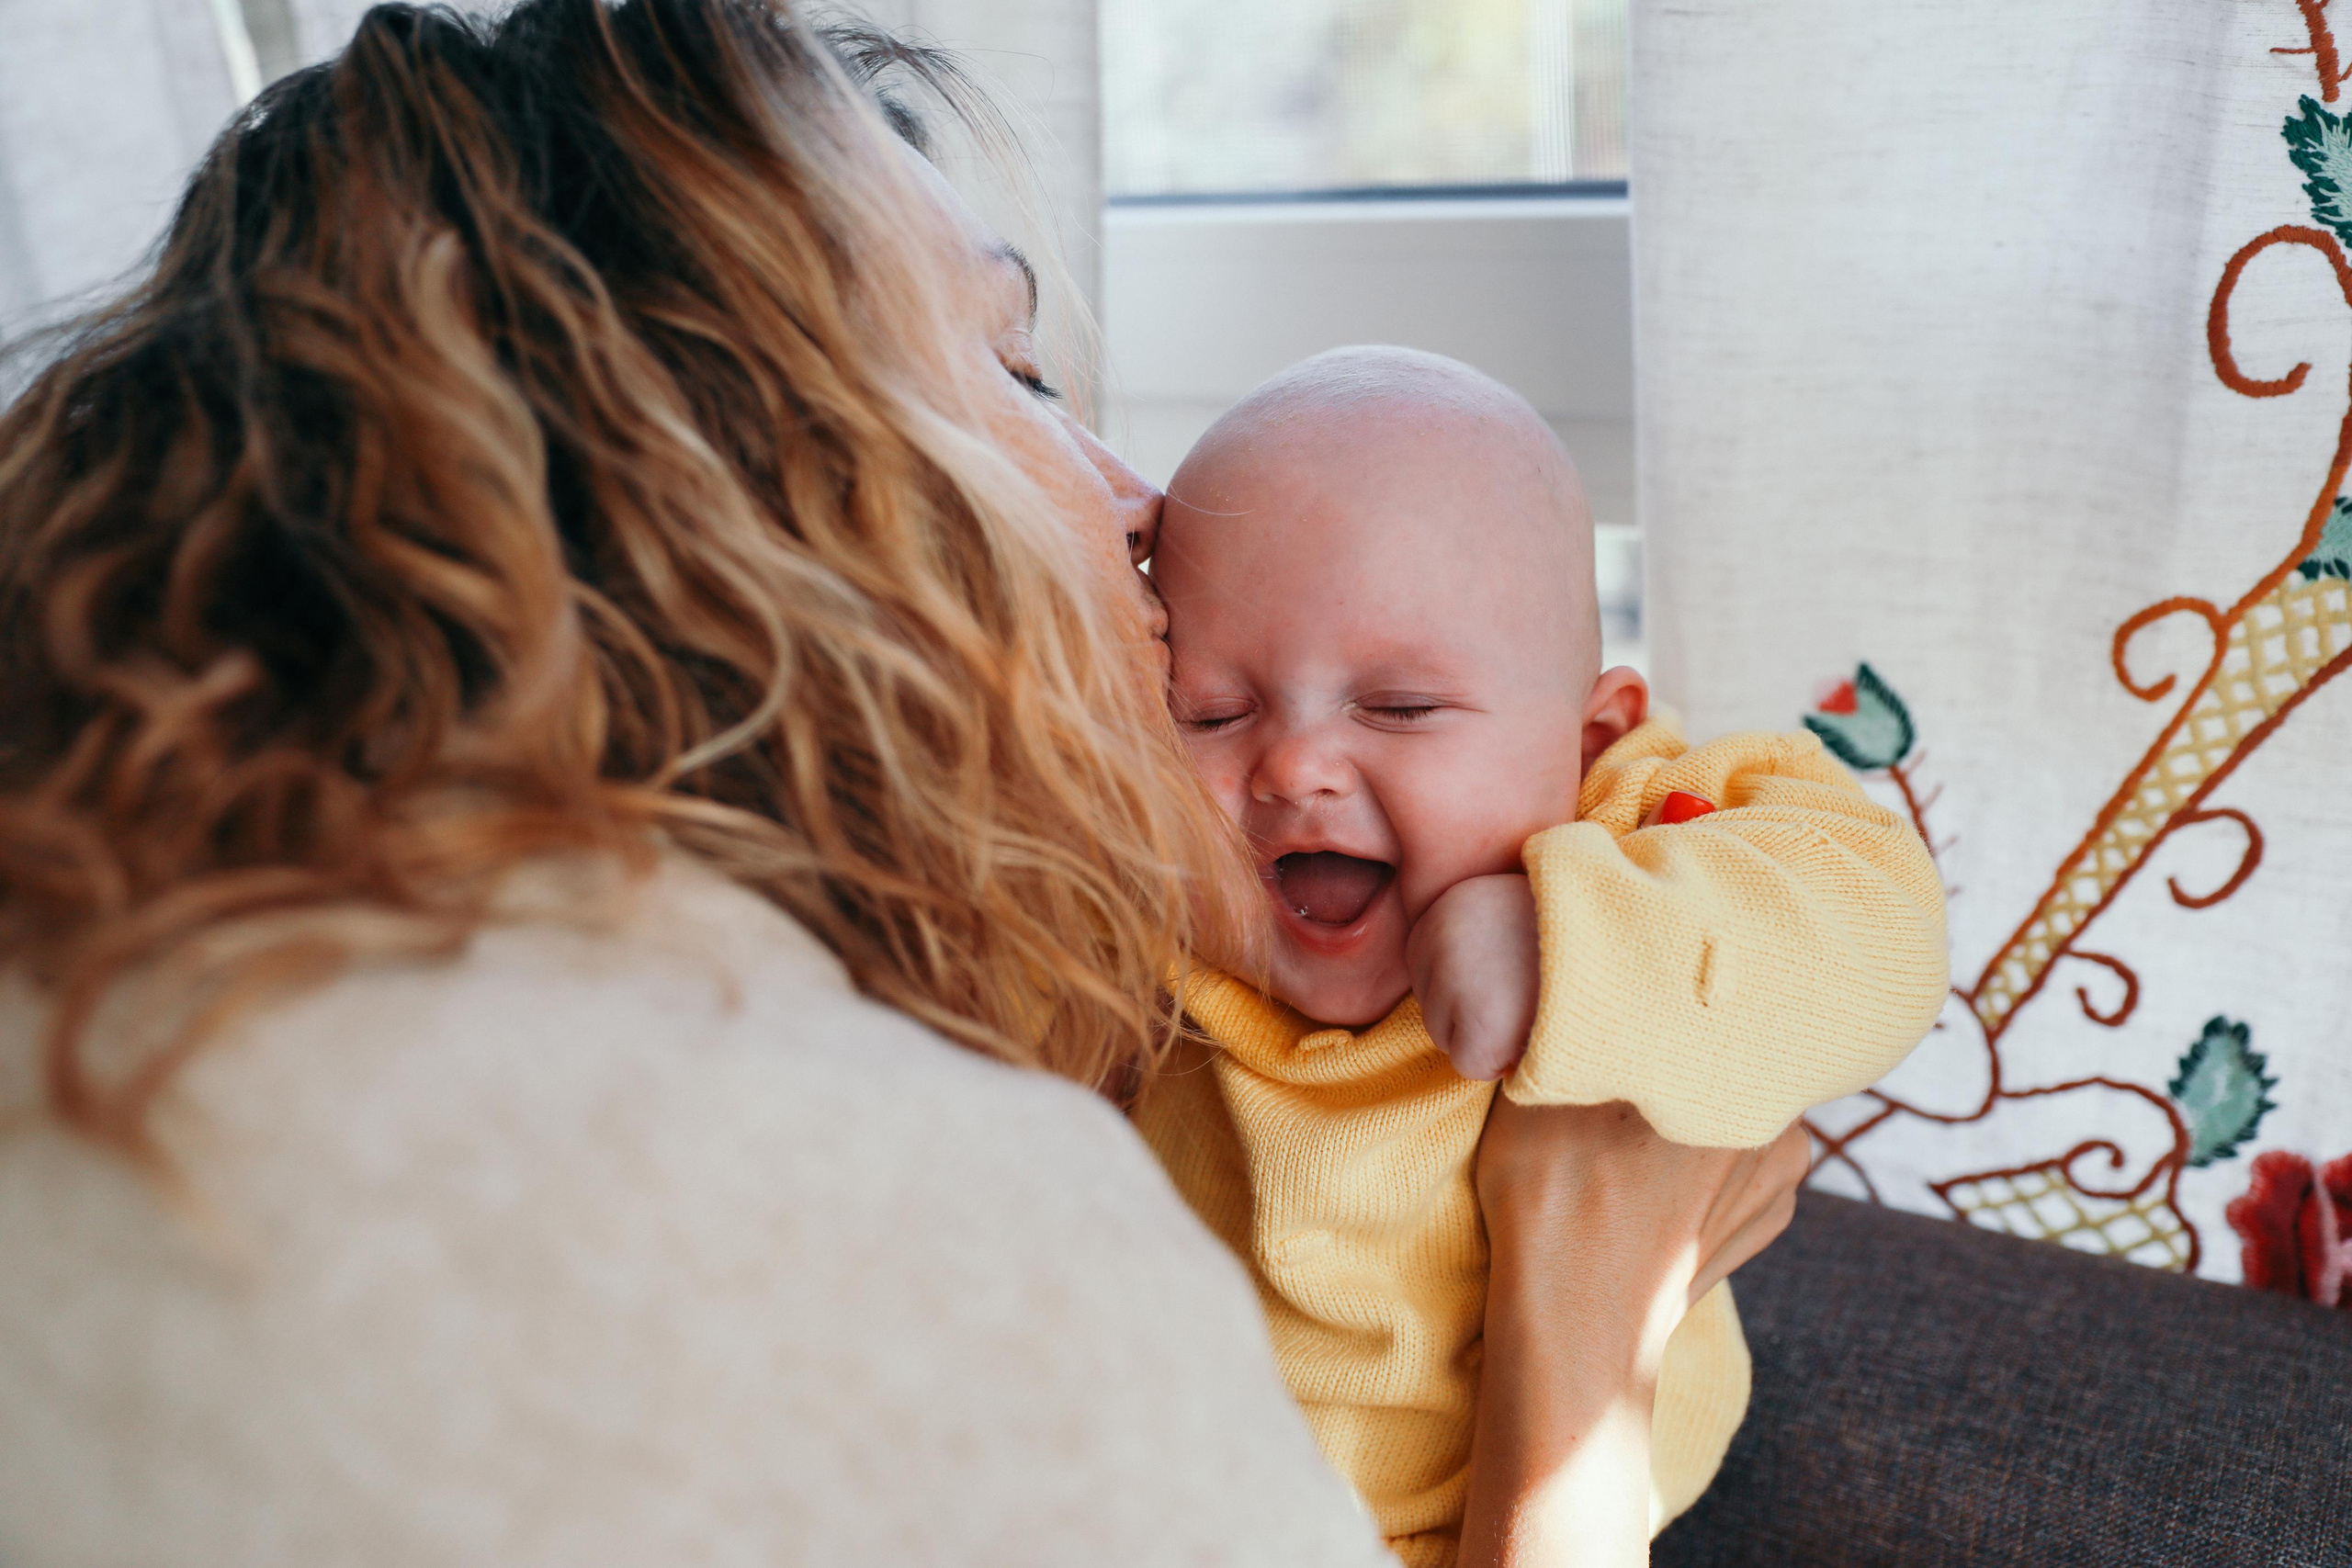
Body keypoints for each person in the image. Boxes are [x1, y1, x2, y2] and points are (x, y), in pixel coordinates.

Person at [0, 5, 1807, 1565]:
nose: (1136, 500)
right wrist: (1586, 1312)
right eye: (1011, 370)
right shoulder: (915, 1222)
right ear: (712, 479)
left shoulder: (127, 968)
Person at [1136, 346, 1948, 1565]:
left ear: (1591, 736)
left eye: (1400, 707)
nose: (1295, 765)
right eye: (1211, 714)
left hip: (1525, 1494)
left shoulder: (1641, 825)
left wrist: (1577, 943)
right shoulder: (1151, 905)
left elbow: (1882, 929)